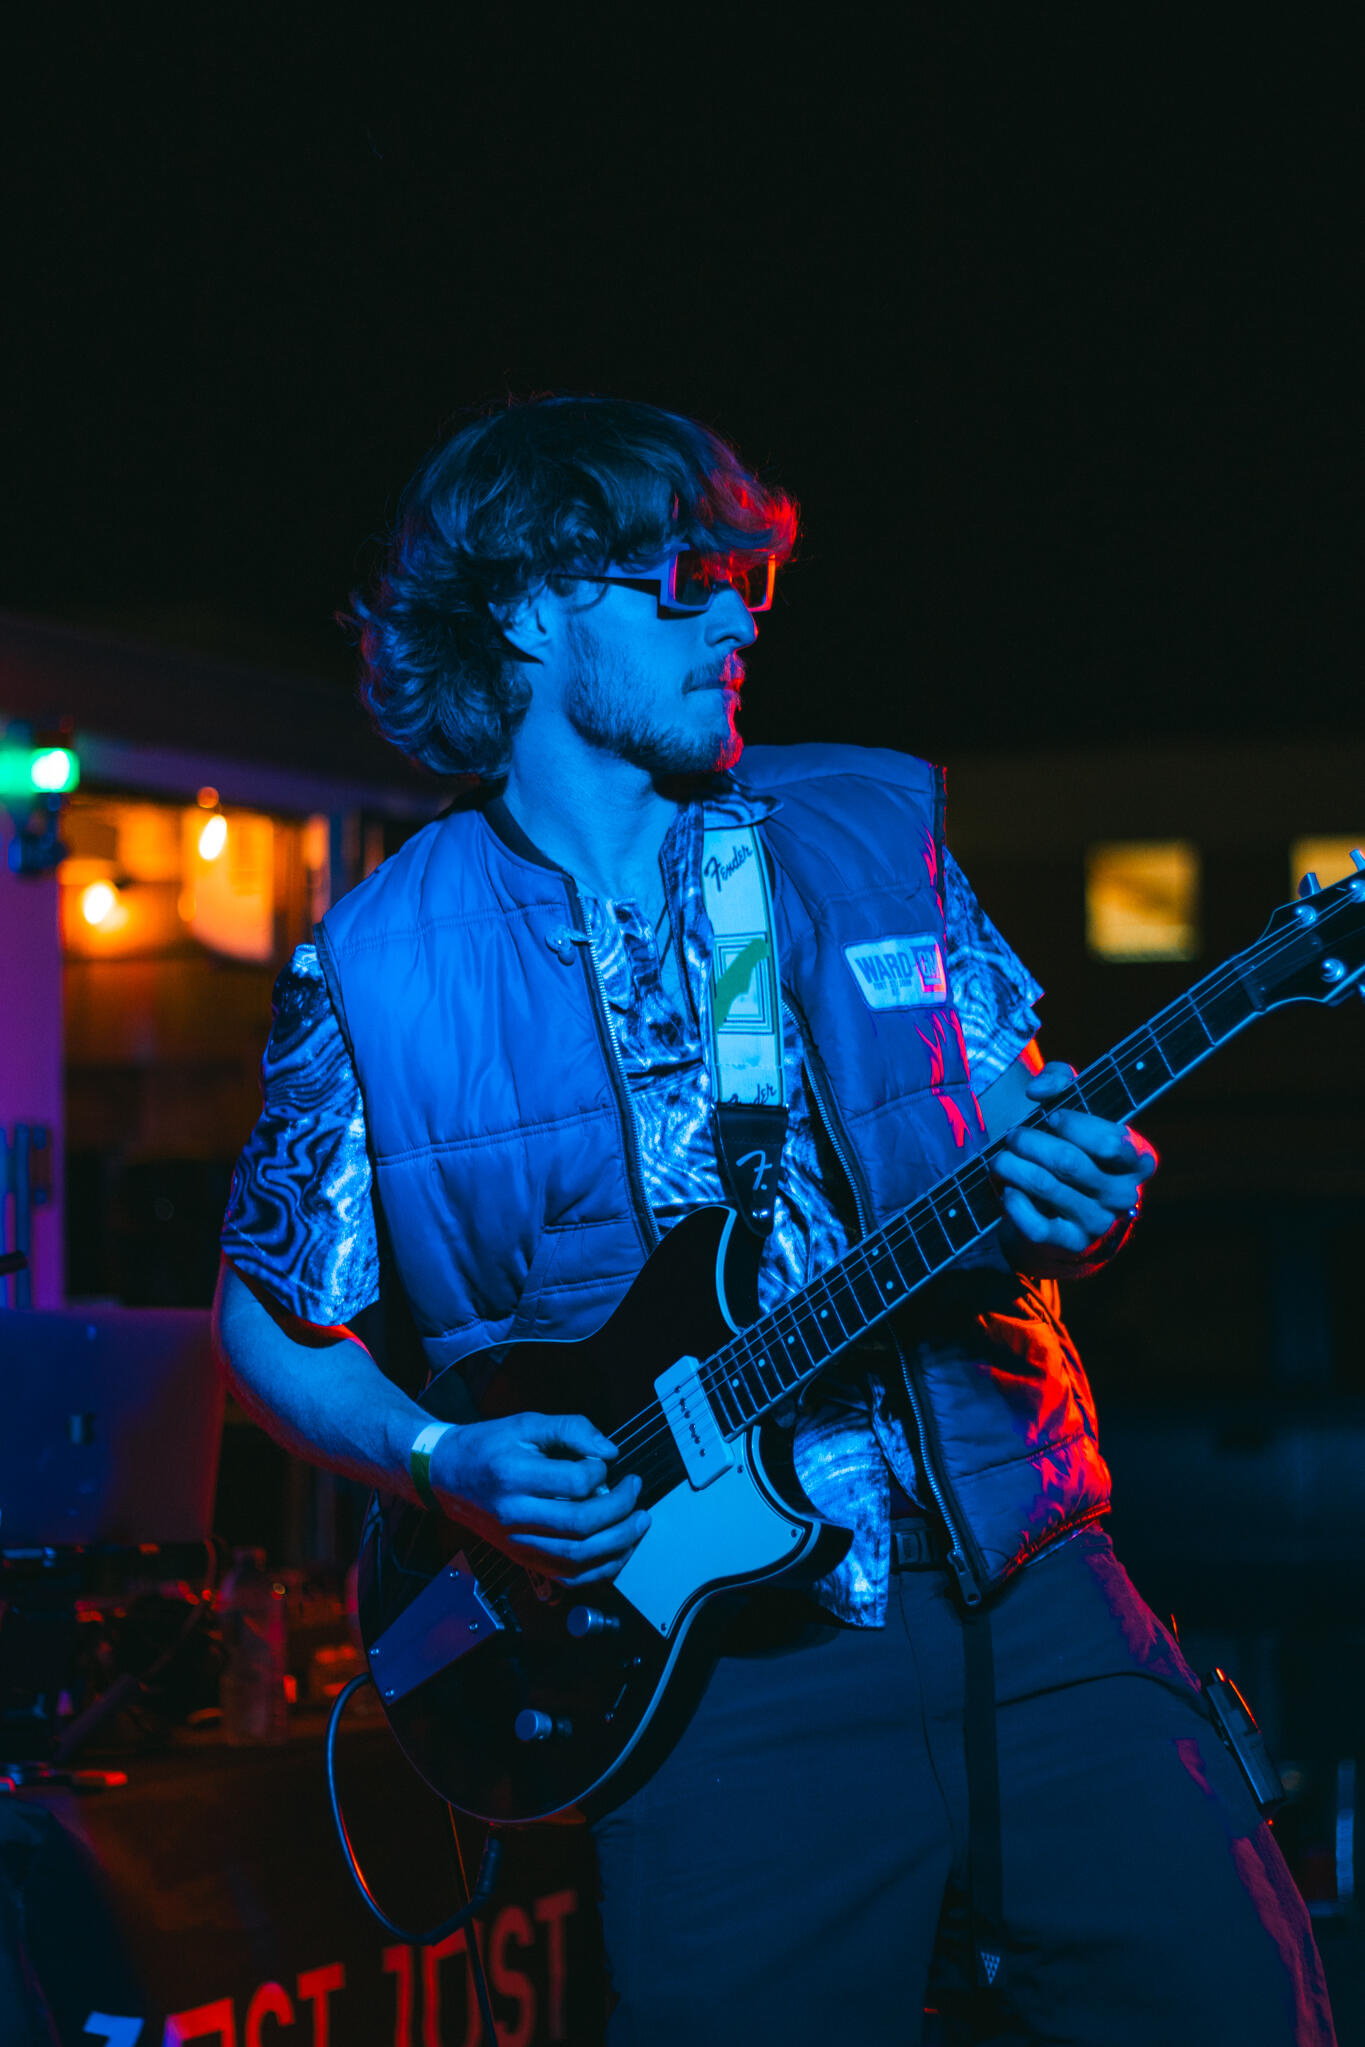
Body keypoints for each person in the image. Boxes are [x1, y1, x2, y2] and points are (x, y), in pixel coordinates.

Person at [215, 396, 1334, 2045]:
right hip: (705, 1682)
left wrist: (1066, 1198)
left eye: (752, 583)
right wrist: (445, 1466)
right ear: (529, 605)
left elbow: (1005, 1112)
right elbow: (266, 1314)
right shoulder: (376, 958)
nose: (740, 617)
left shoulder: (871, 831)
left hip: (1033, 1601)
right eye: (685, 581)